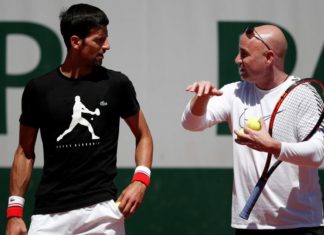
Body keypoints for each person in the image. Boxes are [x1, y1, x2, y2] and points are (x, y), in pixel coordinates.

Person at [6, 3, 153, 235]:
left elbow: (143, 135)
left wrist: (140, 181)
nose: (107, 45)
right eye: (99, 39)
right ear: (75, 42)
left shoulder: (117, 84)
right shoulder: (39, 89)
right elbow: (25, 151)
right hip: (48, 216)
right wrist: (14, 213)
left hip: (101, 213)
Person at [181, 25, 324, 234]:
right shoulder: (234, 93)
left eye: (244, 54)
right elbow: (191, 124)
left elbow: (318, 154)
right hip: (250, 225)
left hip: (301, 224)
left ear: (269, 57)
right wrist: (200, 98)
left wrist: (273, 146)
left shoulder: (304, 95)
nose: (237, 60)